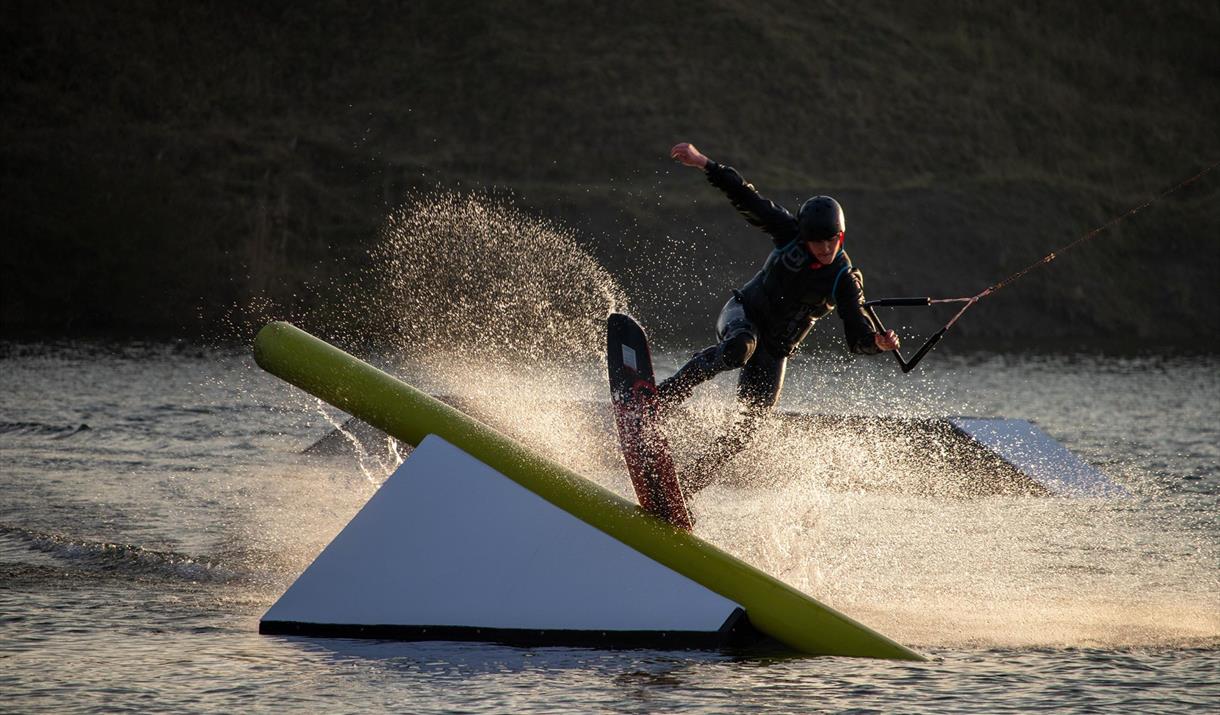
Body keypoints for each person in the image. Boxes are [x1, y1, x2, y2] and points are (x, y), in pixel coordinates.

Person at [659, 142, 901, 494]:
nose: (823, 248)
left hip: (775, 349)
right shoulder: (789, 233)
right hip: (743, 315)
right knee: (738, 348)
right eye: (816, 241)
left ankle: (686, 485)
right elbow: (746, 197)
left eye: (830, 241)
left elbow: (856, 335)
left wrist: (876, 343)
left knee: (748, 429)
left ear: (841, 237)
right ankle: (658, 400)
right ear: (804, 236)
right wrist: (703, 163)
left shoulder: (844, 280)